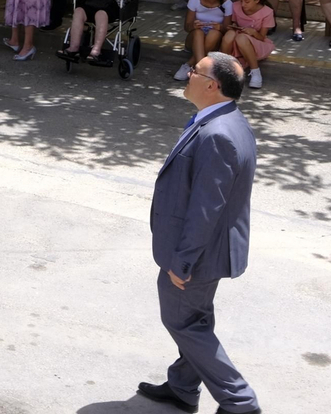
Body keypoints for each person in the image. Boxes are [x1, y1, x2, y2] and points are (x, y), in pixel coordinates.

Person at [137, 51, 259, 414]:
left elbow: (207, 208)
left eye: (196, 71)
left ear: (212, 85)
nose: (188, 74)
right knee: (195, 319)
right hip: (207, 250)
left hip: (198, 254)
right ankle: (183, 387)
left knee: (183, 323)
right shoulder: (225, 120)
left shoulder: (218, 134)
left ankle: (239, 401)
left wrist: (183, 261)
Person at [173, 0, 231, 81]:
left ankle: (190, 65)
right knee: (198, 32)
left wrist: (220, 27)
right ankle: (202, 71)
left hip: (213, 42)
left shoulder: (227, 4)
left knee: (214, 33)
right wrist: (193, 26)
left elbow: (227, 29)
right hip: (194, 39)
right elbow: (186, 27)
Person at [223, 0, 274, 90]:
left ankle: (255, 72)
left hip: (256, 43)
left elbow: (261, 37)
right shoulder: (236, 6)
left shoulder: (267, 12)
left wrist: (253, 32)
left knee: (241, 38)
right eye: (241, 0)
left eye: (246, 2)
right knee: (229, 34)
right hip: (238, 40)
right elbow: (234, 24)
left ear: (257, 0)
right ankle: (224, 67)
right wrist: (233, 27)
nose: (242, 4)